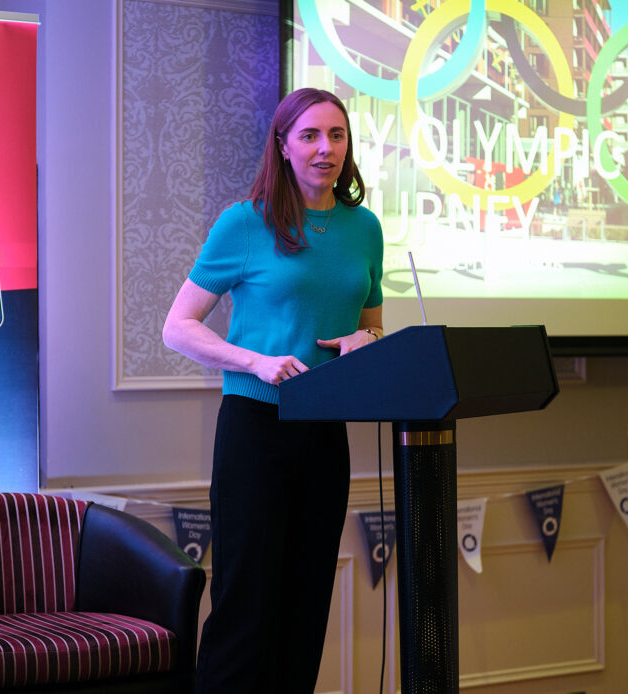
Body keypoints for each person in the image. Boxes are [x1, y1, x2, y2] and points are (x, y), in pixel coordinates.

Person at [162, 87, 384, 693]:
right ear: (283, 146)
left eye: (336, 135)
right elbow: (177, 328)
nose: (325, 148)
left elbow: (370, 328)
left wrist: (366, 345)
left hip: (325, 434)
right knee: (246, 606)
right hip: (255, 431)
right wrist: (256, 362)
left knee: (306, 605)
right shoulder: (245, 222)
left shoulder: (365, 228)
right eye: (309, 135)